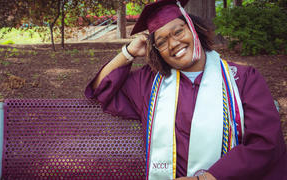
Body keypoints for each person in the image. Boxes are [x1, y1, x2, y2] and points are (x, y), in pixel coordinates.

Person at [85, 0, 287, 179]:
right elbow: (101, 88)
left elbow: (265, 143)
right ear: (157, 51)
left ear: (194, 28)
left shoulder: (242, 79)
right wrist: (128, 52)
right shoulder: (149, 83)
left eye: (179, 31)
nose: (173, 44)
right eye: (162, 42)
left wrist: (206, 178)